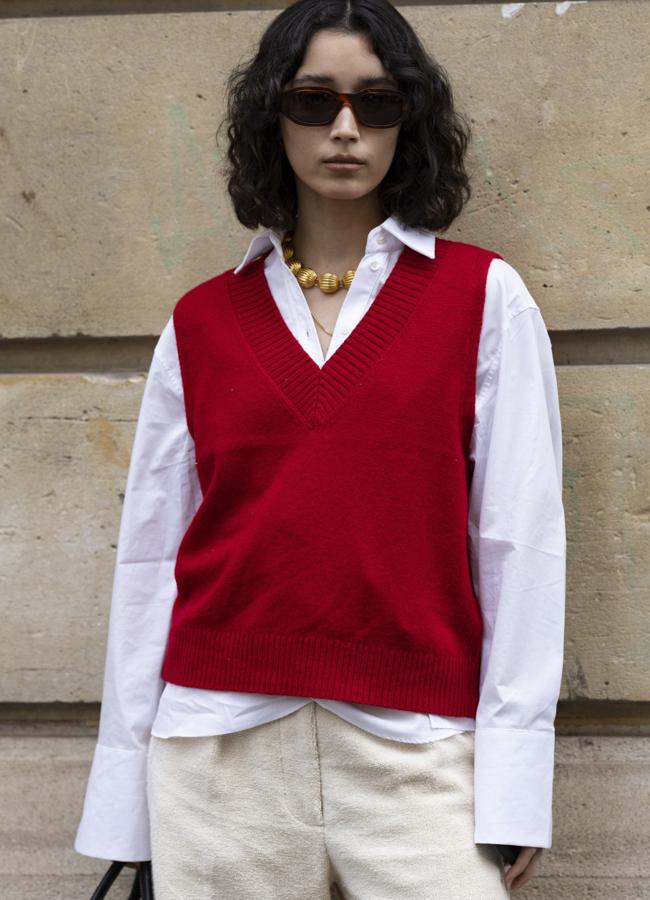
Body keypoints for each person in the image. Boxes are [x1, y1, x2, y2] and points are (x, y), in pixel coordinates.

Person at [74, 1, 566, 897]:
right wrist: (124, 804)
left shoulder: (484, 299)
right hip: (216, 753)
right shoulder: (201, 321)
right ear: (274, 116)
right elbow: (150, 561)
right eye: (314, 101)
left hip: (418, 756)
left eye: (376, 103)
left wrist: (515, 785)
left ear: (407, 122)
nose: (346, 128)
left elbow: (519, 545)